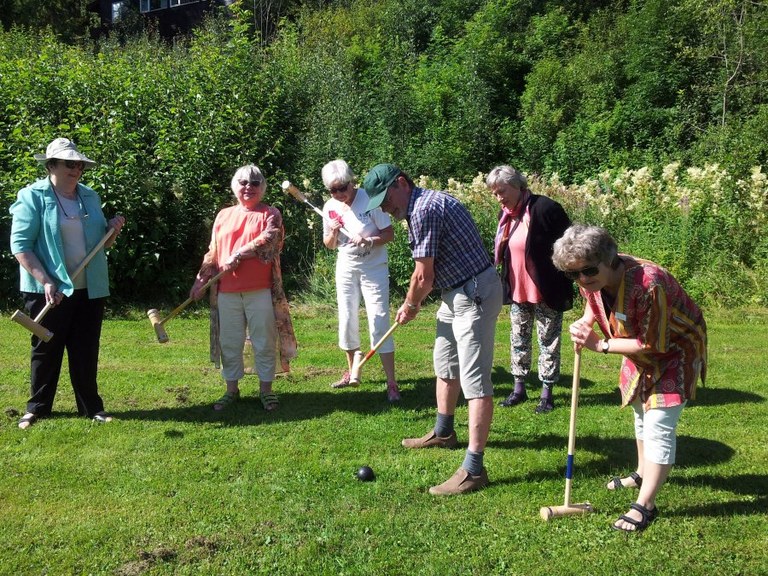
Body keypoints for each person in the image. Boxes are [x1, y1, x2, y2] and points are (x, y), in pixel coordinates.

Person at [552, 224, 707, 532]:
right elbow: (592, 301)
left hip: (675, 351)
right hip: (635, 348)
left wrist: (599, 344)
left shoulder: (650, 285)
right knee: (639, 408)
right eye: (574, 275)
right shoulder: (593, 276)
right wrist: (584, 324)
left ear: (609, 260)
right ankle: (641, 471)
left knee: (659, 424)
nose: (582, 280)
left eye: (588, 271)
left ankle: (645, 504)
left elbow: (655, 345)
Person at [363, 163, 503, 496]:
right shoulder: (419, 206)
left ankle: (474, 469)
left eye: (386, 198)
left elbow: (423, 276)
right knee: (445, 364)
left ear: (401, 183)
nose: (385, 207)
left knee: (475, 380)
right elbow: (424, 274)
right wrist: (410, 301)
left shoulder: (424, 209)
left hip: (474, 293)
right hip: (453, 292)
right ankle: (444, 432)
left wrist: (410, 305)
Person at [10, 137, 126, 430]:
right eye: (69, 164)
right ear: (51, 165)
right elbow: (20, 246)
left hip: (90, 286)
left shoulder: (89, 197)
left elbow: (102, 244)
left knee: (85, 348)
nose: (76, 169)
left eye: (79, 165)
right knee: (45, 349)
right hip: (49, 288)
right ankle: (37, 408)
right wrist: (46, 281)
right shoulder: (32, 196)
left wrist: (112, 230)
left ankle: (92, 408)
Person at [191, 165, 295, 412]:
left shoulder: (270, 213)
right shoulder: (223, 215)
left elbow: (270, 240)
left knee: (264, 340)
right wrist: (200, 278)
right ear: (234, 186)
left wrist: (240, 252)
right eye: (243, 182)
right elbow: (213, 251)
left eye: (254, 183)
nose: (248, 187)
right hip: (226, 291)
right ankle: (231, 390)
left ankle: (266, 390)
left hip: (260, 290)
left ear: (262, 188)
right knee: (229, 341)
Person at [487, 165, 573, 414]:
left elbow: (568, 247)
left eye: (502, 191)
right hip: (517, 290)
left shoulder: (546, 209)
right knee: (518, 338)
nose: (499, 197)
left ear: (518, 185)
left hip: (546, 288)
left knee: (549, 340)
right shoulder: (506, 215)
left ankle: (547, 393)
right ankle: (519, 388)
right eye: (495, 193)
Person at [321, 159, 400, 402]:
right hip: (346, 266)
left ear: (352, 182)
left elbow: (389, 234)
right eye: (333, 190)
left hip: (373, 266)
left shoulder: (370, 200)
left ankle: (391, 382)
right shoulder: (330, 207)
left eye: (343, 187)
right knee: (346, 317)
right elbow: (329, 244)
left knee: (378, 318)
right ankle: (352, 371)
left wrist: (370, 241)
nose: (339, 193)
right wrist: (333, 231)